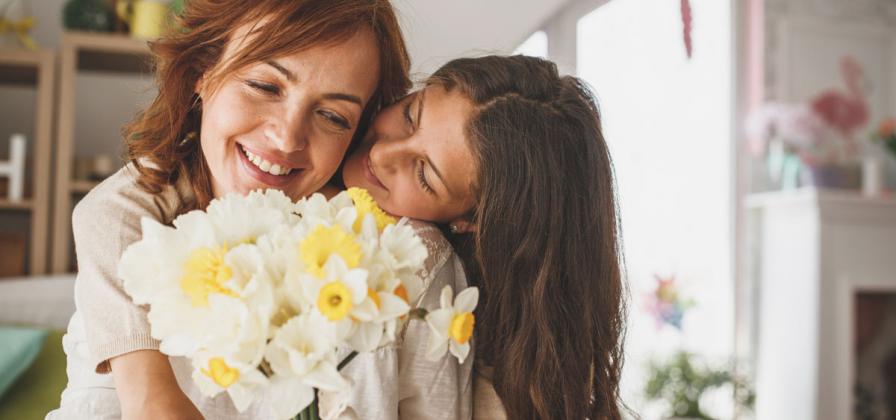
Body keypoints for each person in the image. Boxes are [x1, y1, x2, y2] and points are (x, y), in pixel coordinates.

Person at [49, 1, 472, 419]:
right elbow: (105, 207)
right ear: (203, 69)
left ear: (357, 132)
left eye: (332, 115)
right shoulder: (131, 230)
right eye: (265, 86)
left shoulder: (404, 261)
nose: (287, 137)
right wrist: (151, 394)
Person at [340, 55, 627, 420]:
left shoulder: (425, 280)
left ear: (468, 222)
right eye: (410, 116)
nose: (381, 154)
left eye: (425, 175)